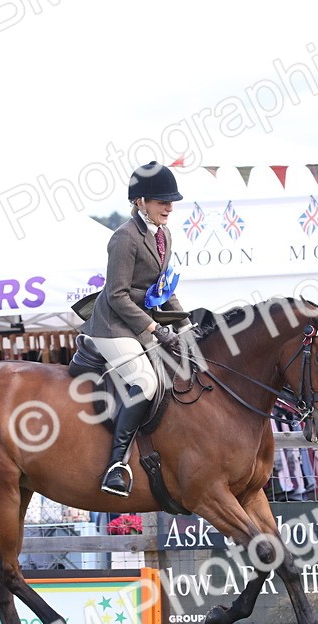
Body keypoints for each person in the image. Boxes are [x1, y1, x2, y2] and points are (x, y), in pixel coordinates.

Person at [80, 162, 188, 497]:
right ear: (140, 201)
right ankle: (117, 464)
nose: (169, 207)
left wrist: (186, 327)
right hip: (112, 326)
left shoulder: (163, 234)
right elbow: (116, 295)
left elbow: (163, 288)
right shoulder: (124, 237)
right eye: (161, 201)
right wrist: (156, 328)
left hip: (138, 326)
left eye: (171, 201)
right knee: (146, 380)